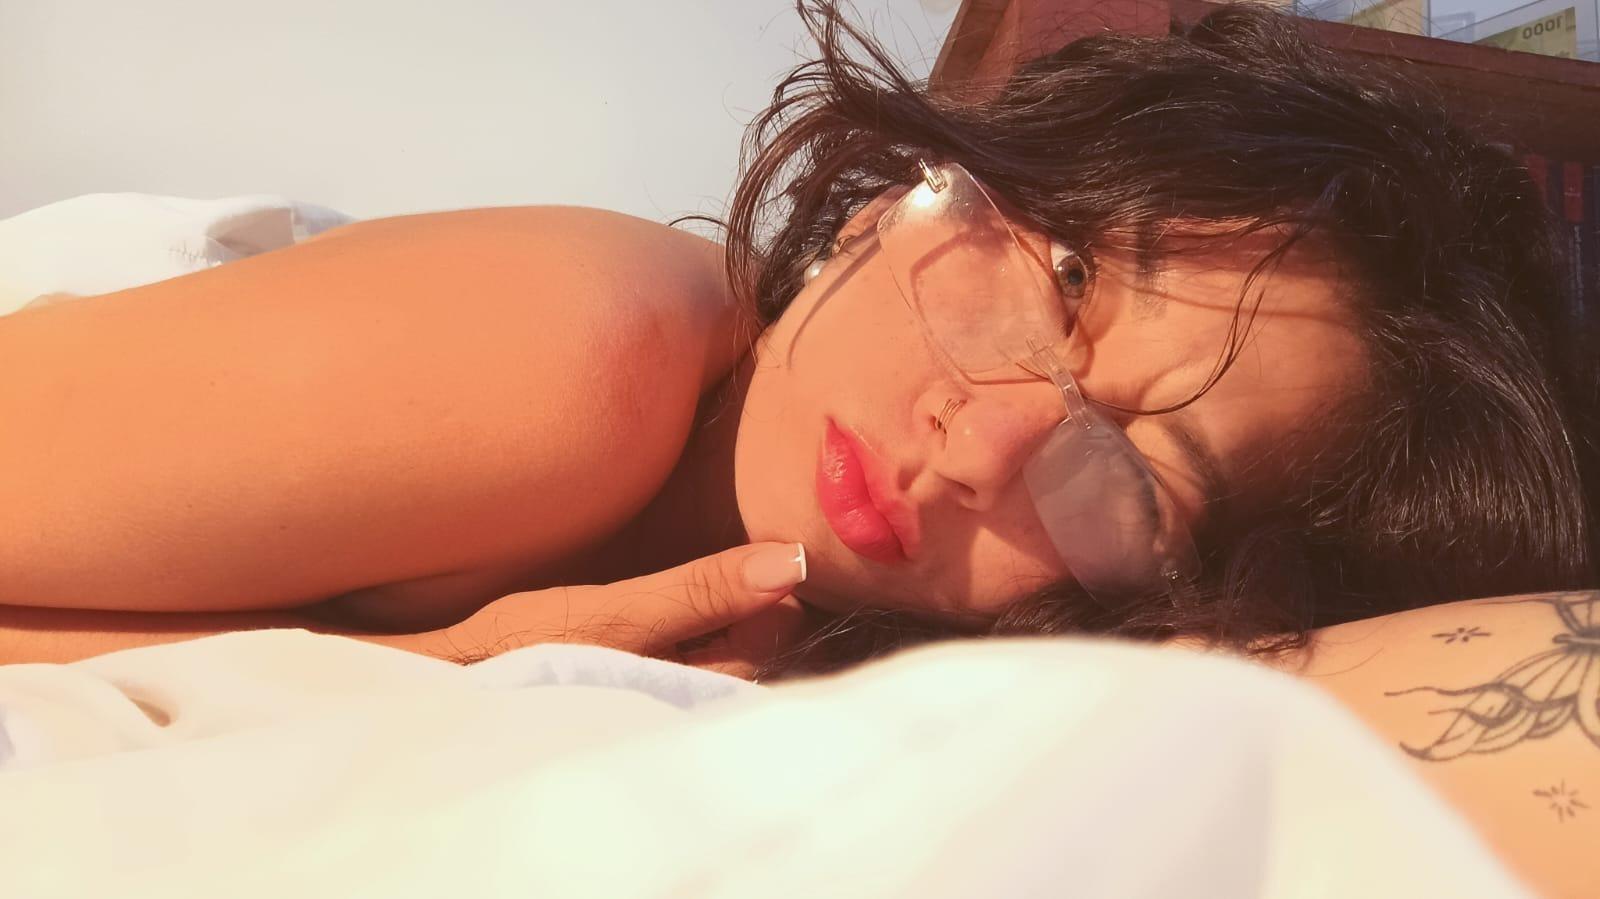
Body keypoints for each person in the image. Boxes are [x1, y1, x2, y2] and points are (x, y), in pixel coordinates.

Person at [0, 1, 1592, 675]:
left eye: (1133, 482)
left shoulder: (807, 667)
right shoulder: (587, 350)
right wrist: (418, 671)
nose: (982, 443)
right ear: (901, 201)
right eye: (1057, 283)